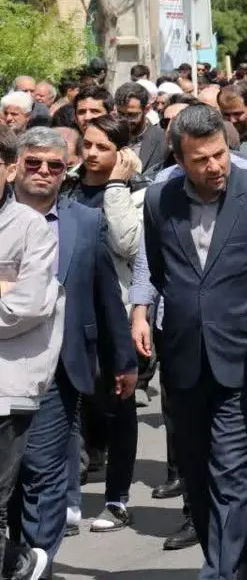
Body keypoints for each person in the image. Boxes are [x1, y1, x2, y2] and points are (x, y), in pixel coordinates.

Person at [133, 104, 247, 580]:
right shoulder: (161, 202)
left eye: (219, 154)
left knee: (230, 467)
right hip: (182, 357)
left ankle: (220, 570)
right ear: (179, 160)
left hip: (243, 356)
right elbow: (160, 272)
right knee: (196, 475)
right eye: (200, 159)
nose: (213, 166)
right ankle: (233, 561)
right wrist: (142, 313)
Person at [6, 128, 136, 576]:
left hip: (60, 370)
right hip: (5, 369)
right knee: (12, 479)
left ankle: (37, 562)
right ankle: (15, 555)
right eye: (34, 163)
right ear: (16, 166)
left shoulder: (84, 222)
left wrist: (124, 360)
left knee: (44, 472)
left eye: (54, 165)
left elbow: (105, 296)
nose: (43, 172)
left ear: (68, 171)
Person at [61, 116, 147, 533]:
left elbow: (128, 245)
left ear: (122, 154)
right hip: (72, 309)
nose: (92, 154)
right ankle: (64, 498)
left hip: (119, 312)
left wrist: (115, 187)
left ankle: (117, 498)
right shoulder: (68, 188)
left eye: (102, 147)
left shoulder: (139, 193)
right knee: (69, 404)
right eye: (88, 145)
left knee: (119, 404)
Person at [0, 124, 62, 580]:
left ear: (6, 169)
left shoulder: (30, 227)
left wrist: (13, 291)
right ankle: (18, 562)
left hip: (7, 387)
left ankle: (20, 561)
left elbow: (28, 304)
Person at [114, 83, 167, 174]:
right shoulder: (110, 136)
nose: (125, 120)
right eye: (121, 114)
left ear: (146, 109)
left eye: (132, 115)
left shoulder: (163, 139)